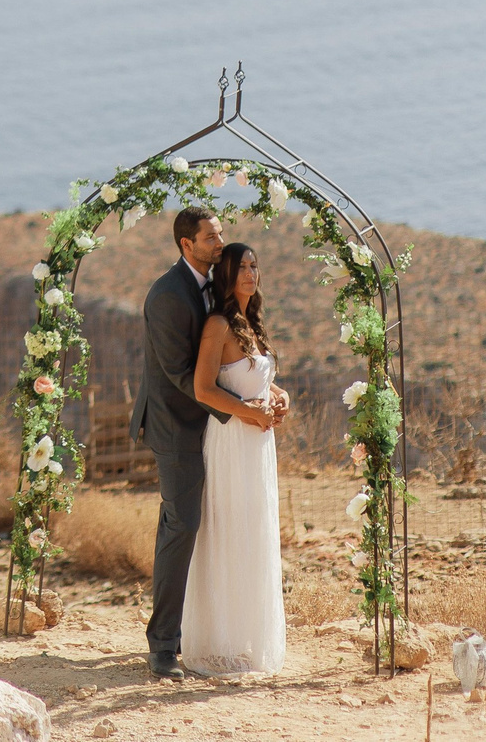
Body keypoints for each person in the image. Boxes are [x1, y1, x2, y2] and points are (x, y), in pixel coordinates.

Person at [133, 208, 288, 678]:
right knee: (182, 526)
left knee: (223, 526)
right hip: (179, 426)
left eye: (221, 234)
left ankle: (210, 629)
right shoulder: (167, 295)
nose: (221, 242)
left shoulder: (218, 290)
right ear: (187, 245)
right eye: (211, 237)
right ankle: (163, 645)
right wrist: (245, 411)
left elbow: (235, 361)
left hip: (221, 428)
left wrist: (270, 392)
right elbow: (186, 377)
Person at [181, 241, 289, 675]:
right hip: (230, 440)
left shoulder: (252, 324)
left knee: (255, 530)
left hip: (259, 445)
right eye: (241, 266)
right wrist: (250, 412)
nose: (250, 272)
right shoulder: (218, 326)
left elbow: (257, 380)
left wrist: (280, 399)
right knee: (227, 530)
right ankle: (218, 638)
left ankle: (248, 632)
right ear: (225, 275)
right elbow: (204, 389)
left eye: (254, 265)